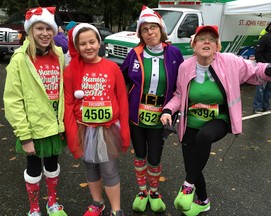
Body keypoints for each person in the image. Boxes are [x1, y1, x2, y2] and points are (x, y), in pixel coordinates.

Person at [160, 25, 271, 216]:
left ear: (218, 46)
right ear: (194, 45)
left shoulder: (230, 61)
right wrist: (168, 110)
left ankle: (186, 187)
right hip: (191, 122)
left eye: (212, 38)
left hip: (220, 119)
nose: (207, 41)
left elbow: (253, 70)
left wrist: (268, 69)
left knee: (204, 137)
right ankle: (203, 201)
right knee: (192, 166)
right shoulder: (185, 67)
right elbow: (179, 94)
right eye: (202, 38)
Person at [3, 7, 67, 216]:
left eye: (49, 29)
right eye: (39, 28)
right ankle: (34, 207)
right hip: (32, 127)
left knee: (52, 166)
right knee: (33, 169)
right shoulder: (20, 59)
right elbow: (13, 100)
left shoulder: (58, 54)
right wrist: (24, 135)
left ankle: (52, 203)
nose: (45, 33)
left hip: (53, 126)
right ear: (31, 31)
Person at [120, 6, 184, 213]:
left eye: (153, 28)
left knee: (155, 157)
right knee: (140, 155)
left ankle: (154, 192)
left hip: (161, 117)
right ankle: (142, 191)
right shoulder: (135, 53)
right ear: (141, 34)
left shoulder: (173, 52)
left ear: (161, 30)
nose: (149, 32)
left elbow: (182, 84)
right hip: (137, 116)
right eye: (145, 29)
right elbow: (122, 79)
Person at [63, 23, 130, 216]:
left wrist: (124, 130)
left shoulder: (112, 68)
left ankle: (116, 209)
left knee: (109, 168)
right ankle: (97, 202)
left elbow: (122, 100)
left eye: (92, 41)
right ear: (77, 47)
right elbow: (68, 105)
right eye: (82, 43)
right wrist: (72, 134)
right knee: (90, 166)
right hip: (84, 128)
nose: (88, 47)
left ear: (99, 42)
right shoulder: (71, 71)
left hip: (108, 128)